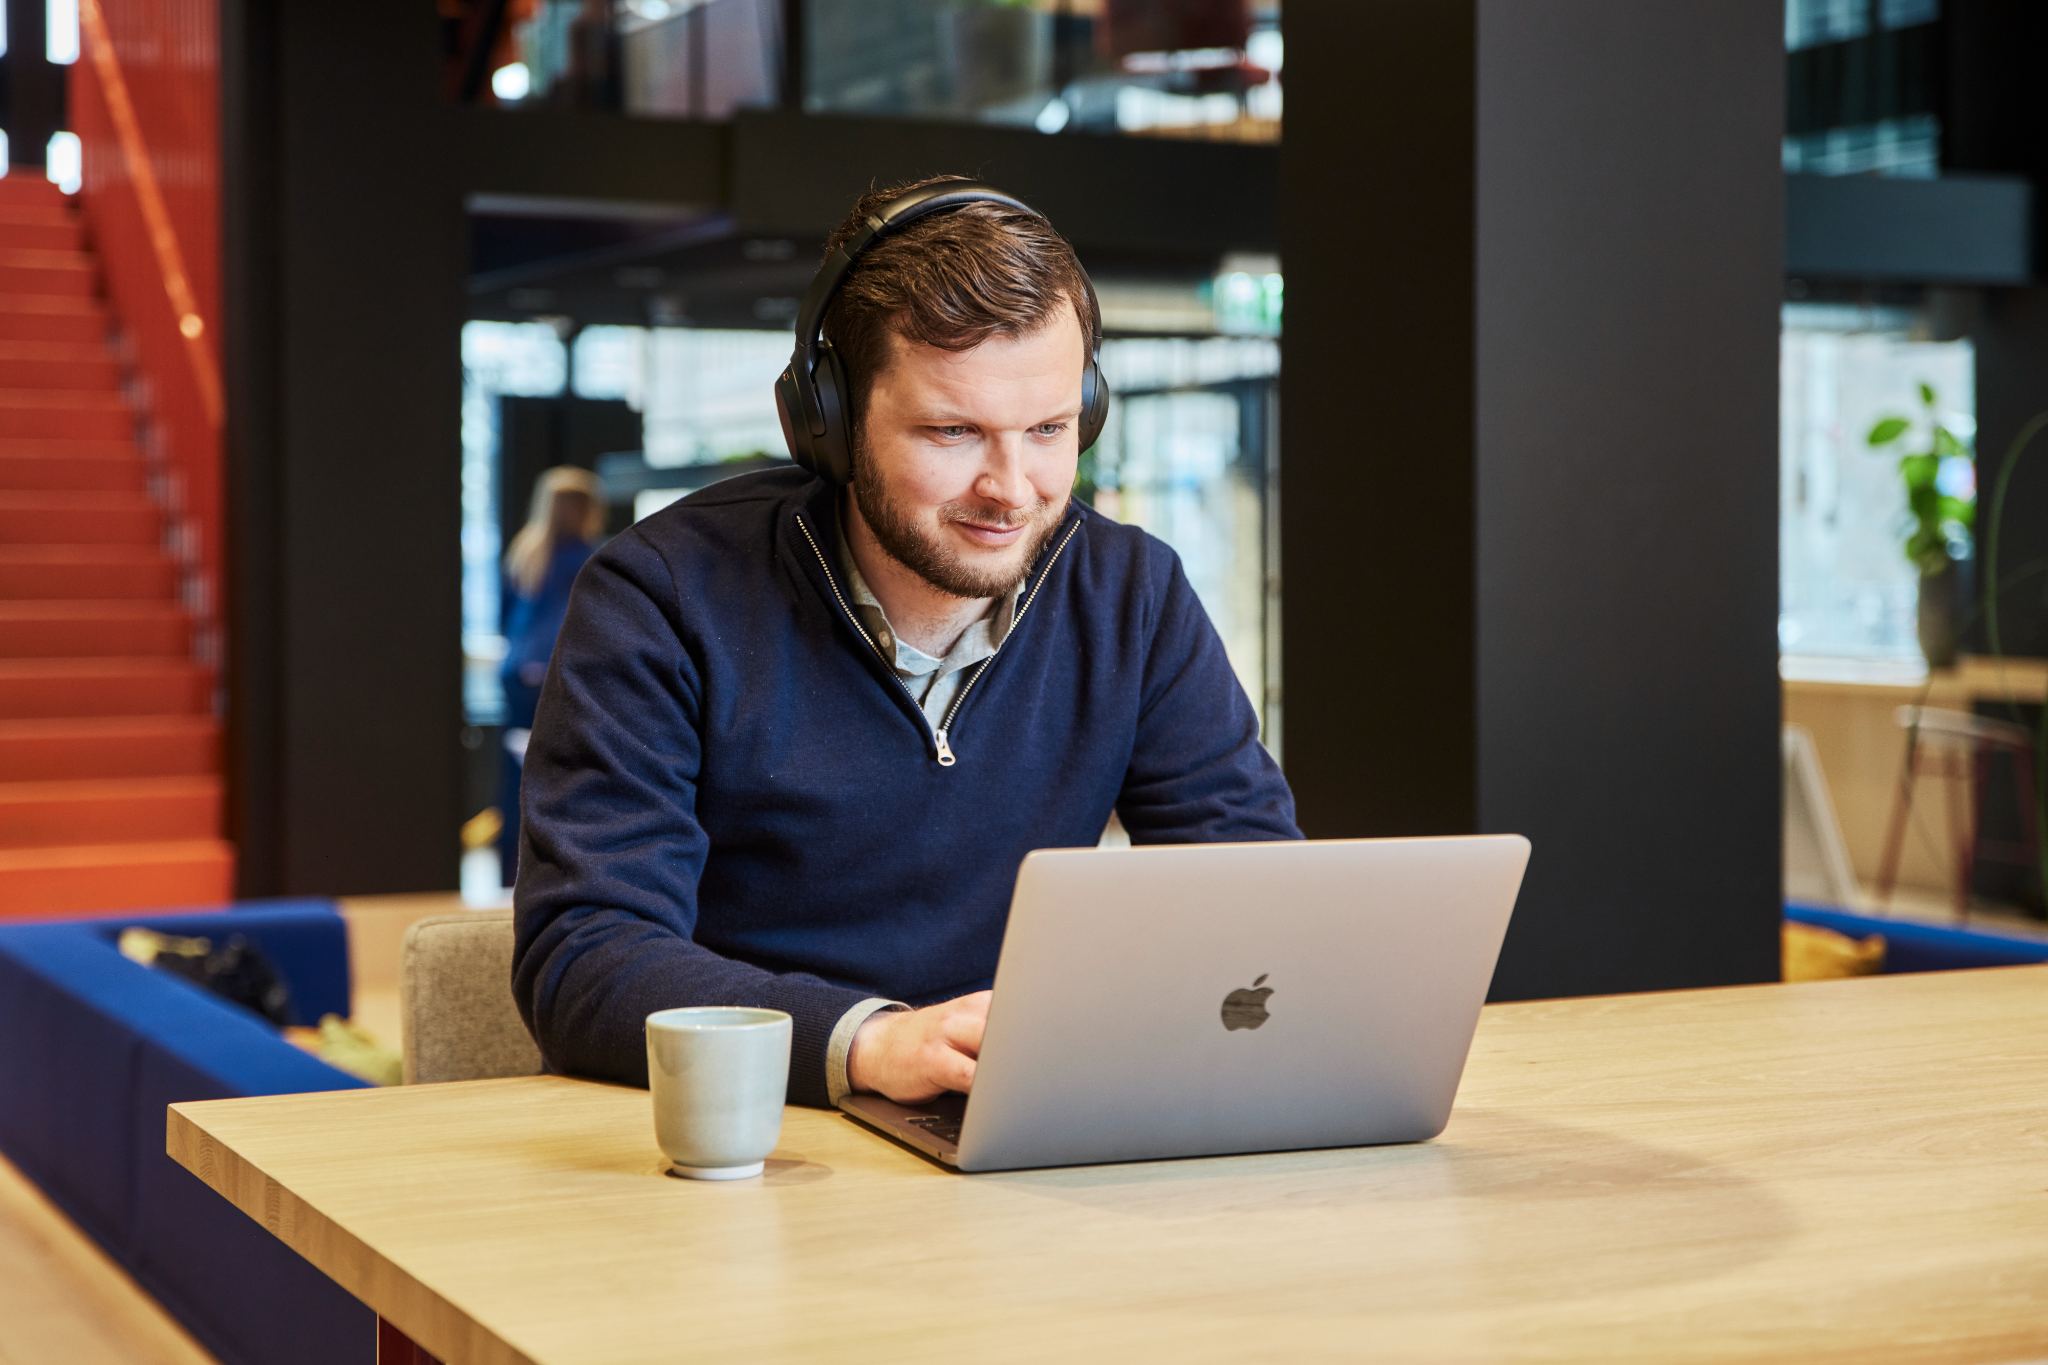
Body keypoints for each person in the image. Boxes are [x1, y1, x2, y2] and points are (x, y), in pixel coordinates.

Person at [512, 176, 1298, 1109]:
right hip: (759, 1137)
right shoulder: (663, 596)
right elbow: (585, 956)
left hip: (1029, 1124)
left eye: (1049, 429)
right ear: (831, 425)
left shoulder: (1130, 592)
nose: (1013, 488)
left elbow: (1251, 888)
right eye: (952, 431)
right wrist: (871, 1043)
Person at [496, 465, 606, 884]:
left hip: (515, 677)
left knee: (516, 783)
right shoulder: (589, 558)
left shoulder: (523, 552)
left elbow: (508, 620)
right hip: (554, 677)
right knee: (556, 779)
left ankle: (512, 876)